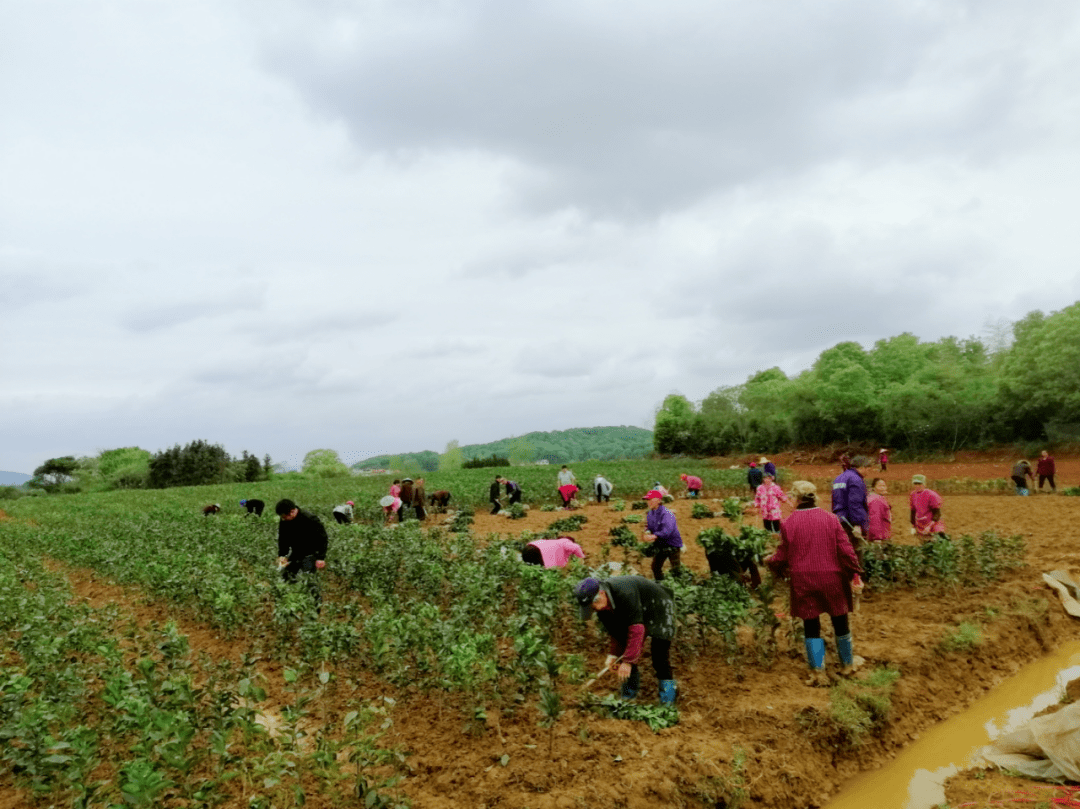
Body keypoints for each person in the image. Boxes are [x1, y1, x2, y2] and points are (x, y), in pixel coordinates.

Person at [766, 481, 862, 686]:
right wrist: (855, 572)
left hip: (804, 580)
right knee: (840, 620)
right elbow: (846, 550)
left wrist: (770, 562)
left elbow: (782, 556)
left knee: (811, 624)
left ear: (797, 499)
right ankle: (847, 665)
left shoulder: (788, 523)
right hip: (832, 578)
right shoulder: (831, 519)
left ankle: (818, 672)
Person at [573, 575, 678, 704]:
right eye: (591, 608)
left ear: (600, 594)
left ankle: (668, 699)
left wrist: (628, 661)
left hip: (659, 606)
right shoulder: (601, 607)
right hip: (638, 609)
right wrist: (613, 655)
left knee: (659, 657)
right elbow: (617, 632)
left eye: (594, 605)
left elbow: (637, 629)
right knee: (625, 657)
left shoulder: (624, 592)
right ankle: (628, 698)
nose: (595, 609)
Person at [275, 498, 328, 606]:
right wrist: (282, 555)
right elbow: (283, 537)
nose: (283, 519)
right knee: (286, 575)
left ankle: (315, 606)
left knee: (309, 580)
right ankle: (291, 602)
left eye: (285, 517)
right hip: (296, 552)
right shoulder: (284, 520)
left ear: (292, 511)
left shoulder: (310, 519)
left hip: (311, 553)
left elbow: (322, 538)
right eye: (282, 517)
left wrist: (321, 557)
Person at [643, 489, 683, 581]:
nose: (649, 502)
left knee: (676, 569)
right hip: (660, 544)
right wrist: (647, 532)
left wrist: (654, 536)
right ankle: (661, 584)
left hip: (672, 544)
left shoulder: (667, 514)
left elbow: (667, 531)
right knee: (655, 567)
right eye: (648, 500)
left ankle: (679, 586)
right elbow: (649, 526)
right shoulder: (650, 513)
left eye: (651, 499)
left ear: (659, 500)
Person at [832, 455, 869, 547]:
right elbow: (855, 503)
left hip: (839, 520)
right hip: (850, 524)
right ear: (863, 467)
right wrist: (857, 524)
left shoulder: (838, 478)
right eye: (868, 468)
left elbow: (834, 500)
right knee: (855, 552)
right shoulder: (856, 479)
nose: (868, 472)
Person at [909, 475, 946, 540]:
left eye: (919, 484)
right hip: (921, 524)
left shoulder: (931, 495)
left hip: (933, 524)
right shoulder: (913, 495)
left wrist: (929, 526)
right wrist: (913, 526)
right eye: (915, 484)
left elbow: (937, 513)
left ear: (924, 484)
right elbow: (913, 511)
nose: (917, 486)